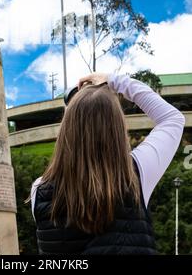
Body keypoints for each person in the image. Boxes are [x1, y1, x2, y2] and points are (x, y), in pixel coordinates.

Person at [30, 73, 185, 255]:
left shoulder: (38, 190)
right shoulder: (138, 173)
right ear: (117, 128)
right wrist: (115, 80)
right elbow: (173, 119)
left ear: (67, 129)